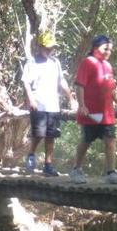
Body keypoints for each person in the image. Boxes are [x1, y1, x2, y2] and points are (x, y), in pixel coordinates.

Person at [70, 35, 117, 185]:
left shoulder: (108, 66)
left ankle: (111, 172)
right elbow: (79, 85)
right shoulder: (88, 62)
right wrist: (82, 105)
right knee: (86, 140)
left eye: (110, 49)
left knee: (110, 140)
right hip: (91, 112)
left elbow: (111, 89)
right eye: (105, 48)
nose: (108, 52)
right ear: (95, 48)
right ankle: (76, 169)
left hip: (107, 113)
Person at [22, 31, 75, 177]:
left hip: (53, 104)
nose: (50, 50)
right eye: (47, 47)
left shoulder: (55, 62)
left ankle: (48, 165)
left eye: (52, 48)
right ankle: (31, 156)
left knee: (51, 135)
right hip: (38, 103)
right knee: (38, 134)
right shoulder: (31, 62)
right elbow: (26, 82)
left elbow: (61, 81)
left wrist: (70, 97)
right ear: (40, 46)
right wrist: (30, 99)